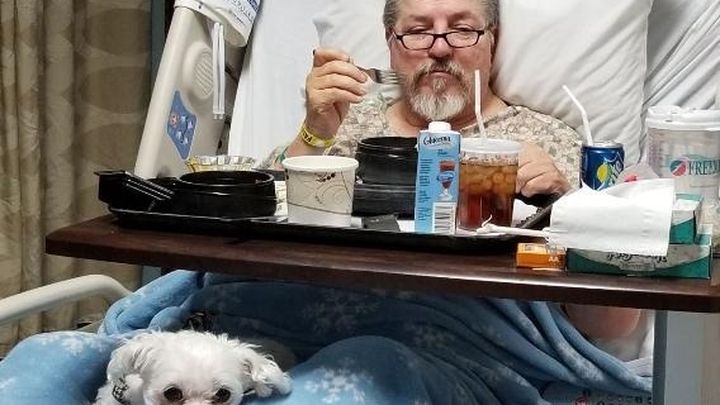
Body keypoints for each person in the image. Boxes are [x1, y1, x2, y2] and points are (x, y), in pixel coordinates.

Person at [263, 0, 645, 346]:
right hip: (313, 331)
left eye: (462, 30)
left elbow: (613, 324)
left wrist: (564, 207)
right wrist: (314, 134)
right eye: (418, 31)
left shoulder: (546, 142)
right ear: (391, 43)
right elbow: (253, 245)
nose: (441, 48)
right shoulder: (343, 125)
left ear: (492, 41)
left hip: (463, 351)